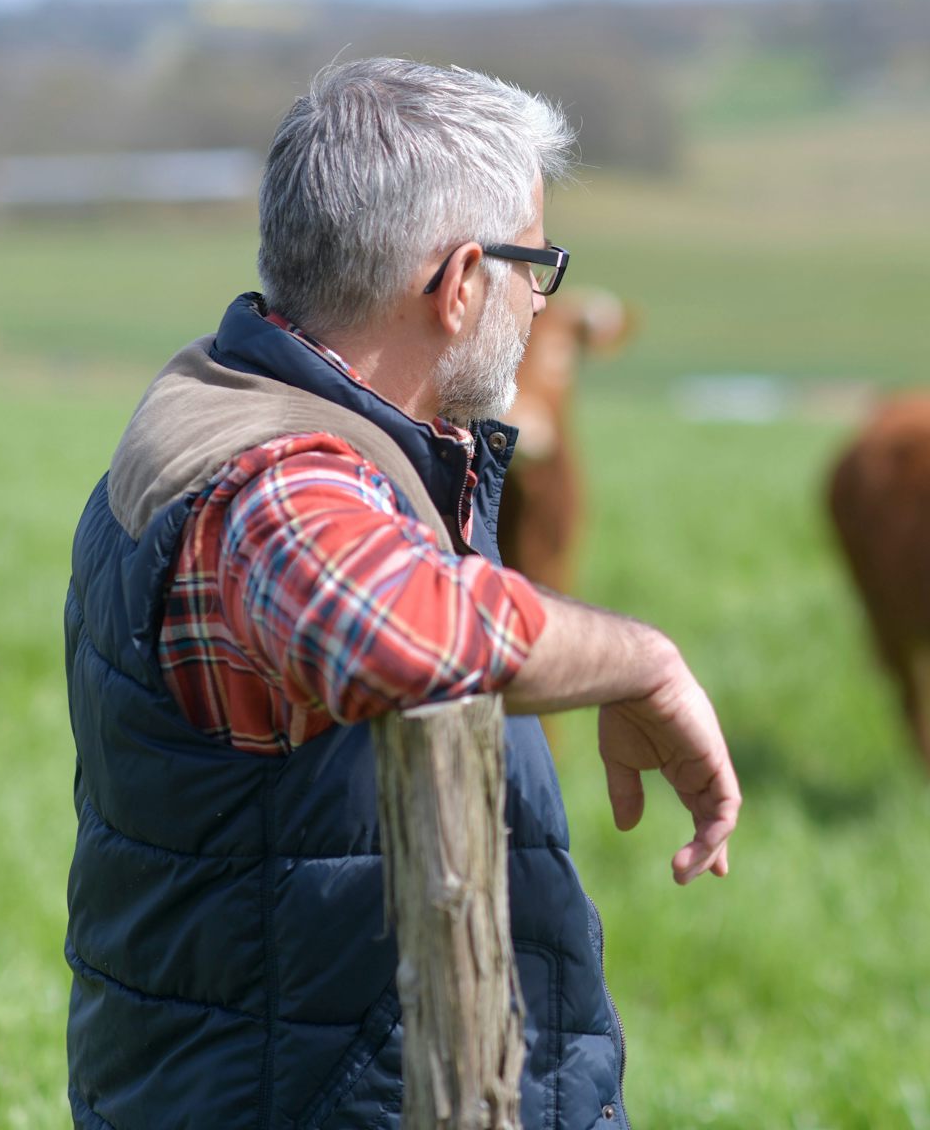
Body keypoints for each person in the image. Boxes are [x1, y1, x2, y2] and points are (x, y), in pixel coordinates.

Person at [62, 58, 740, 1129]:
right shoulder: (279, 471)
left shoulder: (278, 414)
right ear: (461, 279)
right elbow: (390, 628)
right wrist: (641, 658)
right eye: (537, 264)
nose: (537, 299)